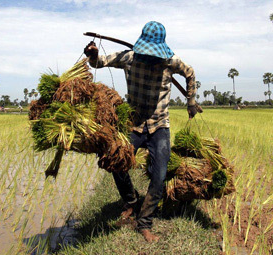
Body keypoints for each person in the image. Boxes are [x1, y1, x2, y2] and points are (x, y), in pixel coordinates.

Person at [85, 21, 200, 242]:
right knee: (114, 161)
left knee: (159, 175)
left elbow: (190, 73)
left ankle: (144, 222)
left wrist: (191, 102)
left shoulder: (170, 62)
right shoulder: (130, 58)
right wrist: (92, 54)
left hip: (159, 126)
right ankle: (130, 200)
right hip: (134, 124)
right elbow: (99, 63)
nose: (150, 58)